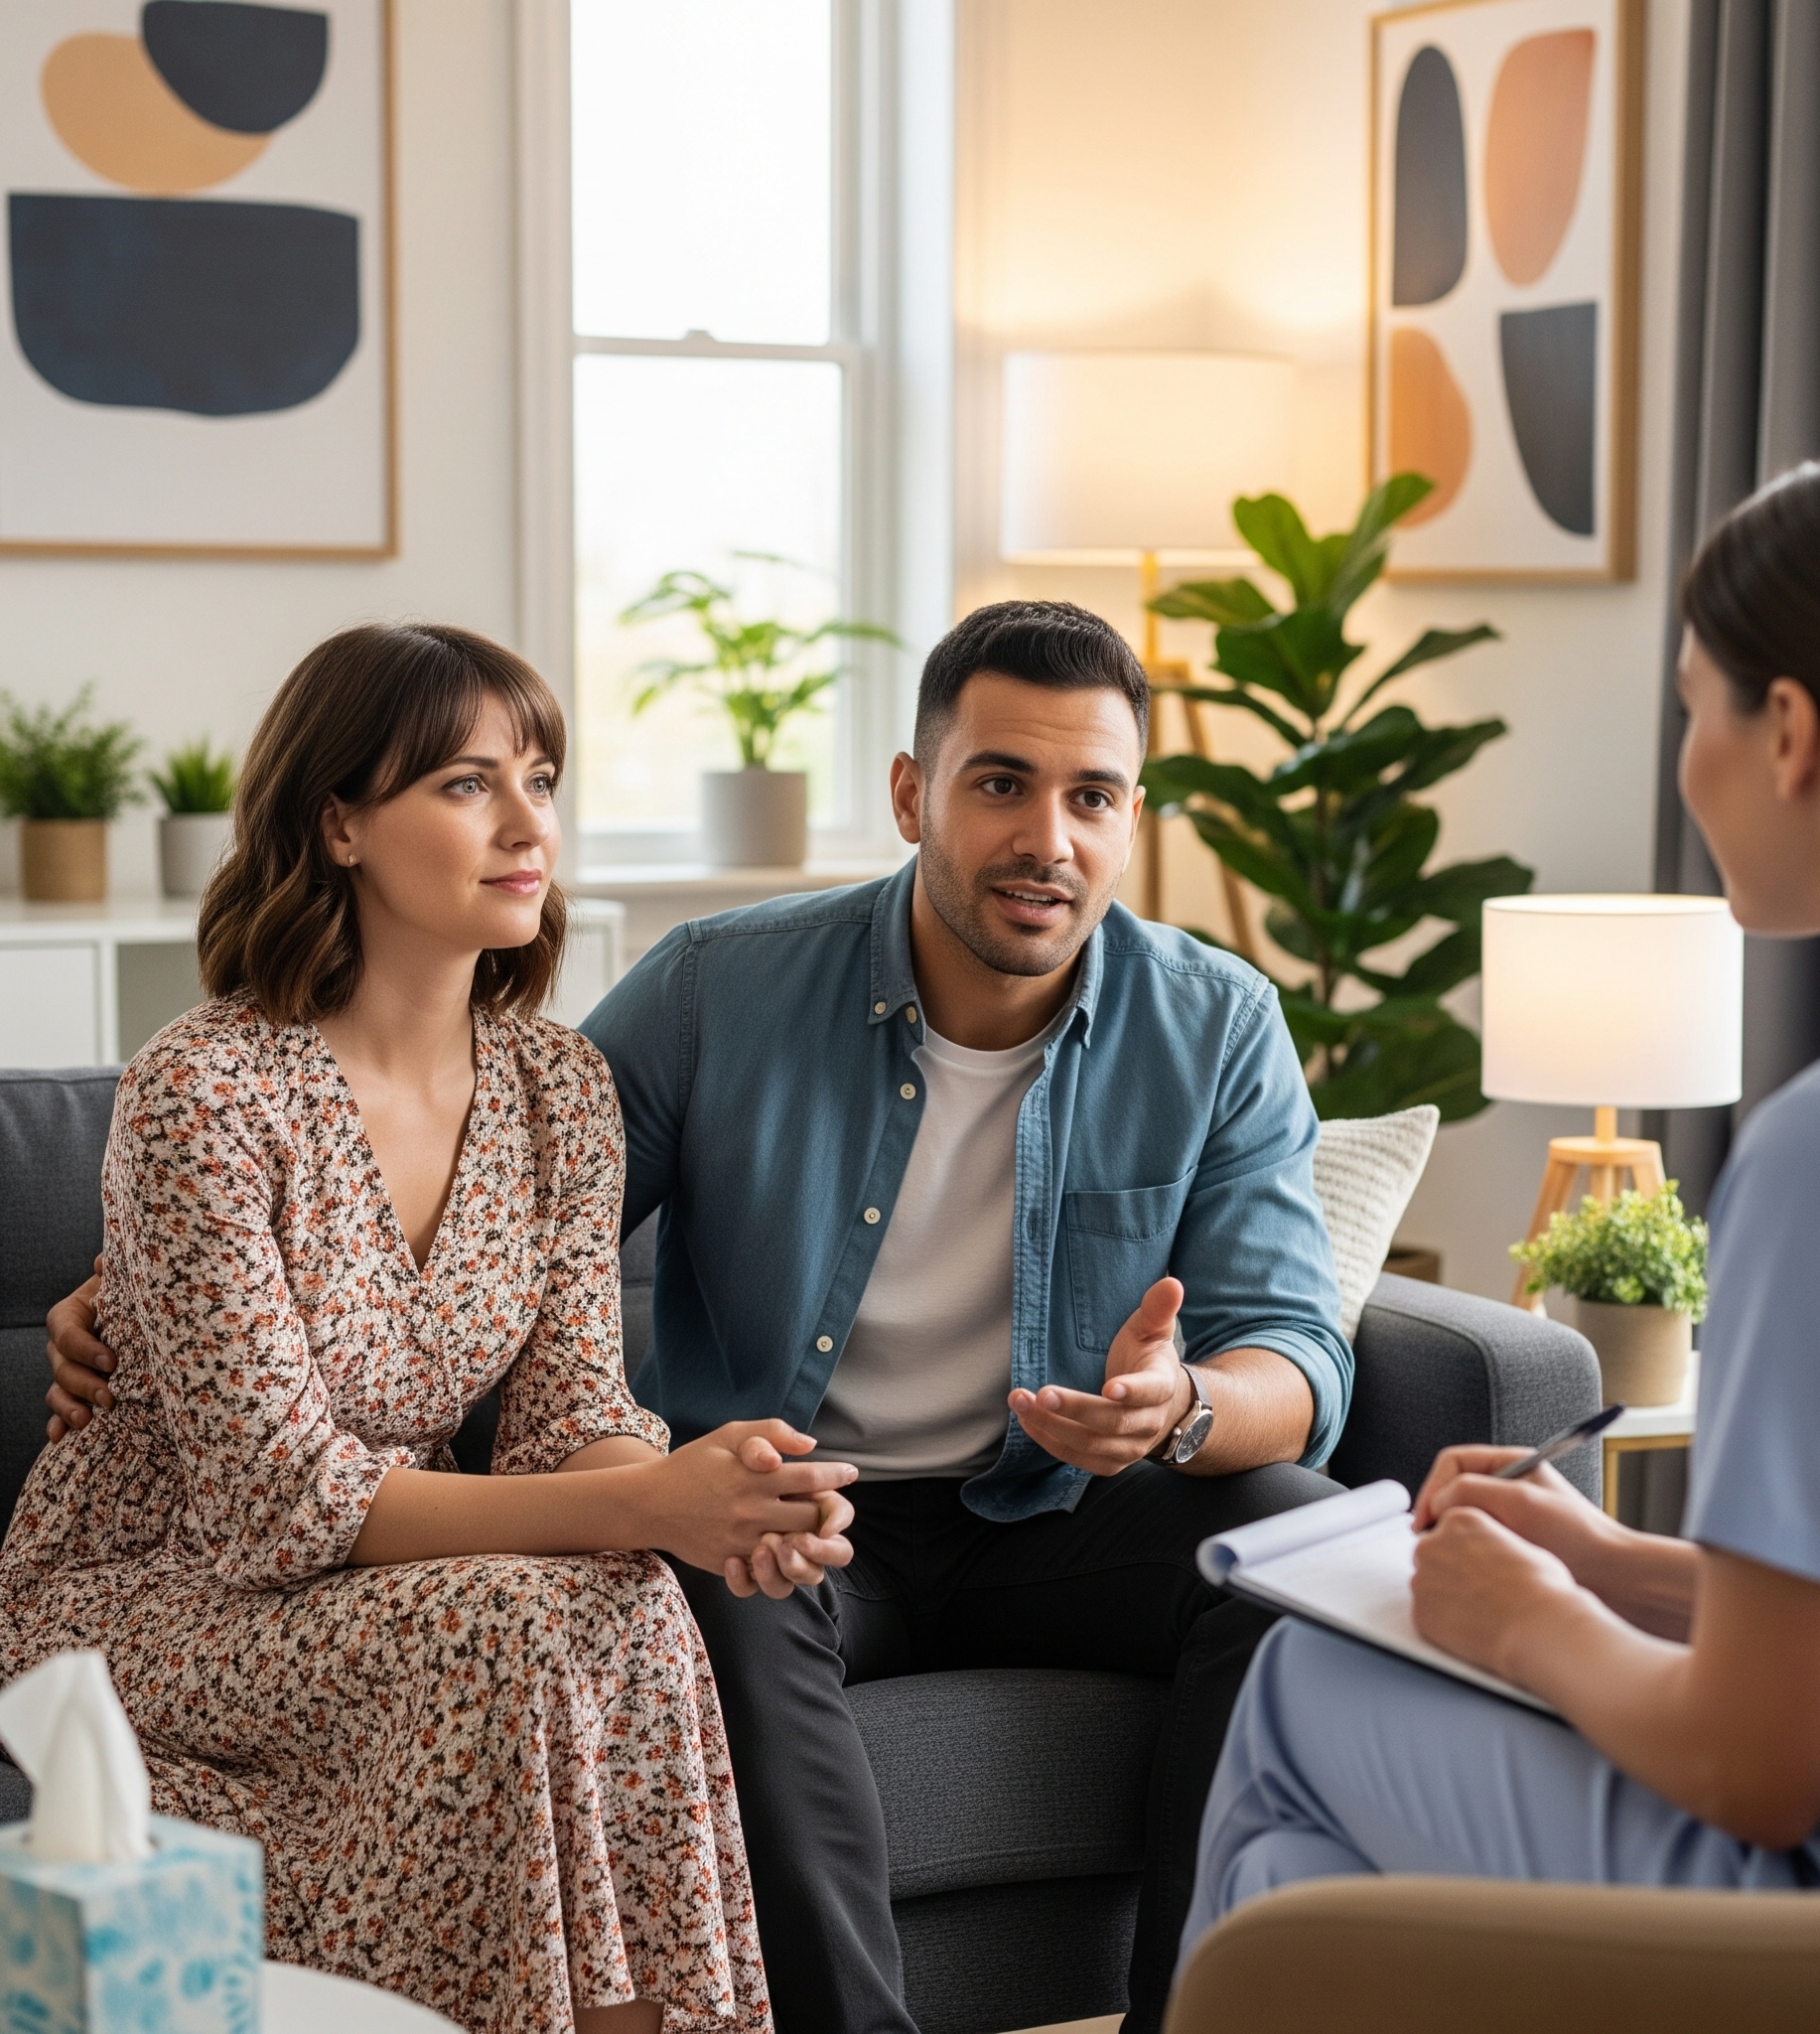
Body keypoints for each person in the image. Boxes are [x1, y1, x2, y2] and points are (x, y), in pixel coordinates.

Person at [49, 598, 1352, 2034]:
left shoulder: (1212, 1024)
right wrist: (149, 1283)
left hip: (1062, 1505)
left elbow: (1297, 1343)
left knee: (1293, 1543)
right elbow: (398, 1275)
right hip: (800, 1500)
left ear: (1131, 817)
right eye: (1001, 783)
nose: (1049, 836)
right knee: (698, 1580)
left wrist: (1185, 1410)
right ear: (914, 793)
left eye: (1090, 795)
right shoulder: (711, 995)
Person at [1179, 446, 1820, 1965]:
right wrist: (1613, 1566)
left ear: (1788, 732)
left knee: (1305, 1702)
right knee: (1314, 1872)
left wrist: (1527, 1620)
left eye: (1693, 703)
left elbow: (1762, 1768)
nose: (1686, 759)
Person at [12, 623, 867, 2034]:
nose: (530, 825)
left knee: (629, 1597)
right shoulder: (206, 1091)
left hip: (384, 1584)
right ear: (338, 820)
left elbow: (570, 1410)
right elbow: (277, 1501)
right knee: (528, 1628)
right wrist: (650, 1499)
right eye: (470, 786)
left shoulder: (560, 1090)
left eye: (541, 778)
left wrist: (718, 1503)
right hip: (157, 1589)